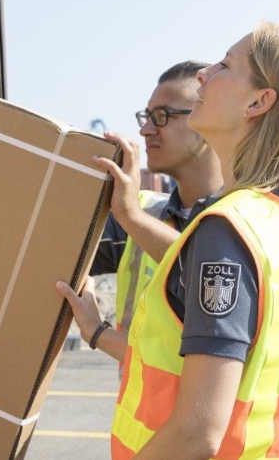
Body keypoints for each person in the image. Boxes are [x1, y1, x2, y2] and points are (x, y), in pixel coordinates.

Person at [57, 22, 279, 459]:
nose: (205, 74)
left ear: (259, 101)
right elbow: (210, 274)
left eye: (225, 65)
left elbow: (197, 434)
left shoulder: (228, 229)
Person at [89, 61, 223, 361]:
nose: (145, 130)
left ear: (208, 120)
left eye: (162, 116)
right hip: (138, 409)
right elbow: (44, 240)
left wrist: (99, 333)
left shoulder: (245, 223)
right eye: (146, 116)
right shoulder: (144, 211)